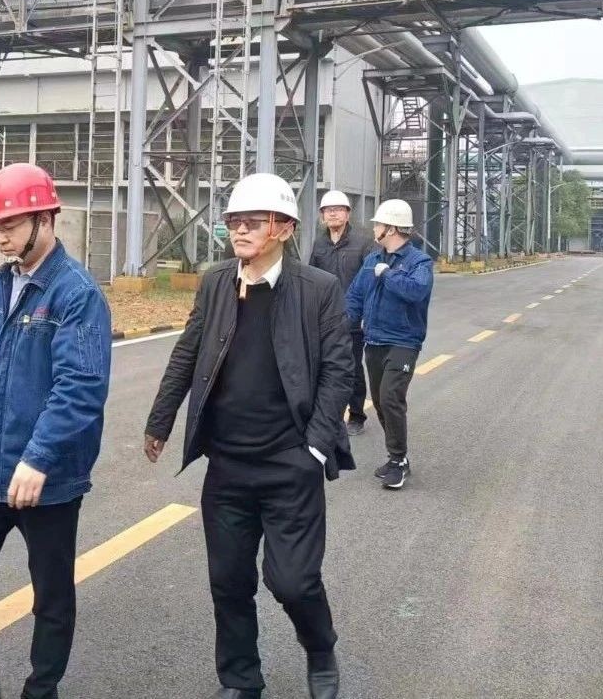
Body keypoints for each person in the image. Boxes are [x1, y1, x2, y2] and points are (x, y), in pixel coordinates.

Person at [143, 173, 355, 699]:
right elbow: (188, 352)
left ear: (284, 228)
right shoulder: (217, 282)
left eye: (252, 222)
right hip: (228, 466)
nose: (238, 230)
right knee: (229, 581)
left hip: (290, 463)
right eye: (233, 221)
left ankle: (320, 647)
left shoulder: (318, 290)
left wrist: (314, 447)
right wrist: (160, 420)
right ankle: (241, 679)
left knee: (292, 582)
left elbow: (338, 372)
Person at [0, 163, 111, 699]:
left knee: (50, 591)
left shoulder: (76, 293)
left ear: (46, 219)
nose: (1, 236)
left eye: (11, 225)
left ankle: (42, 688)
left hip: (46, 475)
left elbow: (81, 386)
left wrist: (38, 457)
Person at [344, 199, 434, 491]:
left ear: (391, 228)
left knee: (391, 397)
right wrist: (340, 326)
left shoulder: (419, 262)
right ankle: (398, 458)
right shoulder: (372, 259)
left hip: (404, 341)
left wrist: (388, 273)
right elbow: (355, 296)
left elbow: (416, 291)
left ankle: (397, 460)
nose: (374, 229)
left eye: (378, 224)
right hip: (374, 340)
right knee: (381, 401)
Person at [307, 190, 375, 436]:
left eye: (338, 209)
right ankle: (326, 414)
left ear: (347, 214)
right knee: (322, 366)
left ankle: (356, 415)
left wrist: (365, 314)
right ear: (322, 215)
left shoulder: (364, 243)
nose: (333, 213)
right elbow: (311, 278)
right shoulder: (319, 243)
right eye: (328, 210)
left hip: (353, 318)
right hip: (324, 317)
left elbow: (370, 281)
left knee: (352, 367)